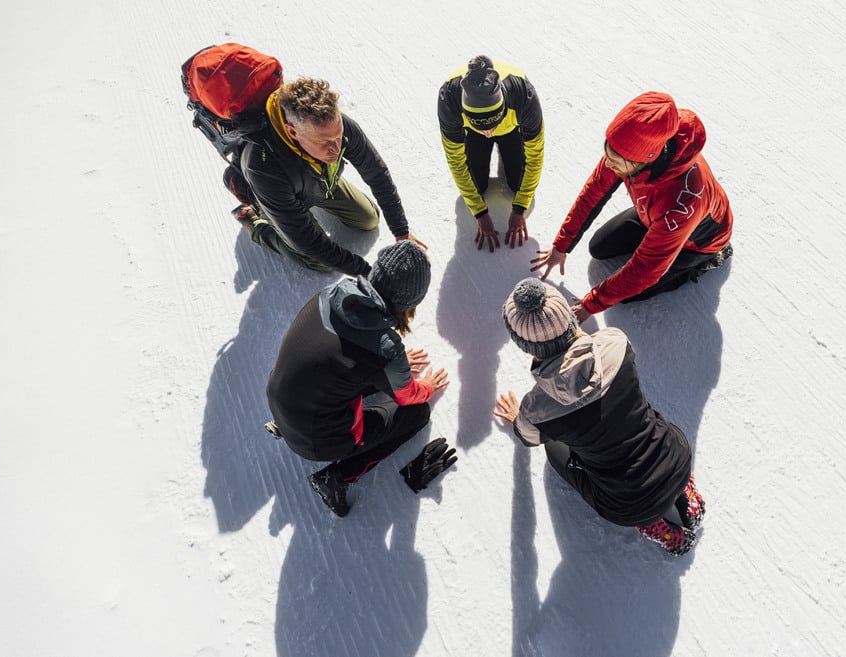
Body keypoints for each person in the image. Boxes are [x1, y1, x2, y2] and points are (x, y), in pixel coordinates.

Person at [493, 278, 706, 555]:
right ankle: (686, 493)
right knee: (640, 411)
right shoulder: (614, 342)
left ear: (525, 346)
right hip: (677, 457)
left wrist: (520, 418)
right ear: (569, 320)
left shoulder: (537, 408)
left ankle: (658, 527)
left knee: (554, 451)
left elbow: (528, 437)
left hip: (628, 506)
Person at [265, 241, 455, 517]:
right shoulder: (384, 348)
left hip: (279, 398)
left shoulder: (332, 293)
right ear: (410, 302)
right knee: (416, 415)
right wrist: (425, 386)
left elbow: (337, 358)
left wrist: (394, 367)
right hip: (317, 440)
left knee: (343, 374)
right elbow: (407, 396)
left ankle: (285, 425)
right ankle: (338, 477)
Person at [531, 91, 734, 322]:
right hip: (652, 215)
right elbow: (592, 195)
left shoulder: (683, 203)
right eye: (608, 154)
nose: (608, 163)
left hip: (698, 242)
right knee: (598, 247)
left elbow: (645, 270)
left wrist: (592, 303)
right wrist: (561, 246)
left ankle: (709, 260)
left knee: (629, 292)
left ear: (644, 159)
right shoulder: (625, 150)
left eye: (615, 162)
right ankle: (653, 236)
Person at [233, 77, 427, 277]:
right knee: (320, 261)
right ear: (293, 132)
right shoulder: (263, 167)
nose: (336, 148)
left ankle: (314, 188)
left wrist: (401, 232)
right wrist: (368, 274)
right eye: (325, 142)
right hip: (276, 195)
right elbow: (307, 241)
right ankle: (255, 223)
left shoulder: (336, 127)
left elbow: (377, 174)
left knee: (369, 219)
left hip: (317, 181)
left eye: (338, 136)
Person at [438, 55, 544, 252]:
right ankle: (485, 131)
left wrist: (520, 206)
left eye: (492, 124)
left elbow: (535, 156)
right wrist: (479, 212)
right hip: (471, 134)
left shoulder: (524, 95)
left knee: (517, 184)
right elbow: (456, 161)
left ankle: (506, 154)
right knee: (477, 187)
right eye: (482, 126)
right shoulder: (449, 99)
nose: (489, 133)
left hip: (512, 128)